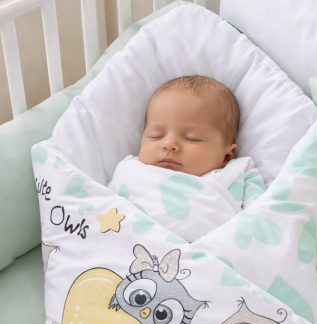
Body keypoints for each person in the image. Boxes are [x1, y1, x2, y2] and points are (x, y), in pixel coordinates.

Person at [108, 75, 266, 242]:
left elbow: (262, 219)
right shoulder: (130, 170)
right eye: (157, 135)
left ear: (226, 156)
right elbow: (100, 204)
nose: (169, 144)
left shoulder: (238, 173)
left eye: (192, 138)